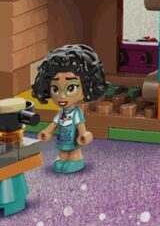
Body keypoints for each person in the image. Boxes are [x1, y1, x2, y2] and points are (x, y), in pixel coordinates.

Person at [32, 43, 107, 174]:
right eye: (55, 88)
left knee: (73, 153)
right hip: (62, 140)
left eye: (71, 88)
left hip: (74, 141)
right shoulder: (61, 112)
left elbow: (80, 126)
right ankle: (64, 159)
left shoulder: (76, 112)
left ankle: (76, 160)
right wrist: (46, 132)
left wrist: (83, 135)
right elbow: (54, 124)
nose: (61, 96)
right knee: (62, 155)